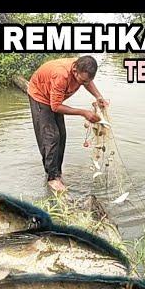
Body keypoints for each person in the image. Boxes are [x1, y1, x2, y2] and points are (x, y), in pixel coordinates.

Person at [27, 55, 109, 192]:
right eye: (81, 80)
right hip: (40, 96)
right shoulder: (61, 75)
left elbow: (87, 82)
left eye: (86, 81)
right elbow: (56, 107)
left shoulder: (82, 71)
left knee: (62, 136)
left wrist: (98, 96)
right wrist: (84, 113)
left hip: (53, 97)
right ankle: (52, 178)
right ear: (74, 69)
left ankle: (57, 172)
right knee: (51, 137)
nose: (83, 83)